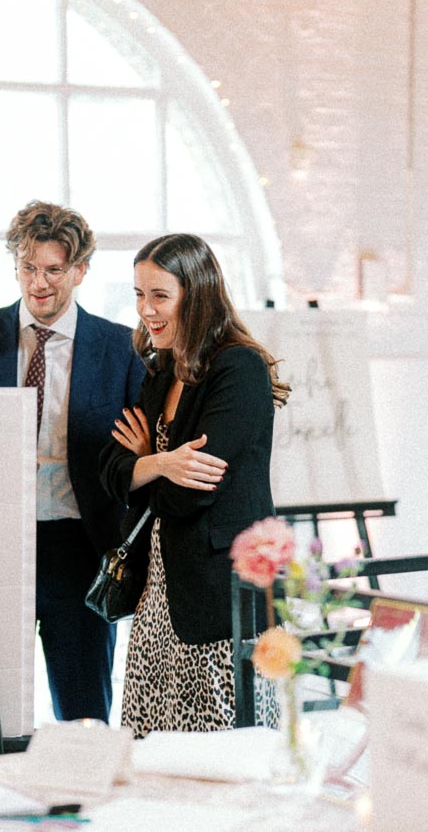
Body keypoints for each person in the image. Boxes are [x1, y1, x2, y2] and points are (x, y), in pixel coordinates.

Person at [0, 201, 144, 724]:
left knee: (83, 711)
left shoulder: (120, 347)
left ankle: (80, 800)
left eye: (54, 270)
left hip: (79, 548)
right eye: (28, 267)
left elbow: (137, 458)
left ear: (81, 270)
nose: (39, 284)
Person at [99, 233, 289, 738]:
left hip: (218, 596)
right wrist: (159, 463)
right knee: (152, 749)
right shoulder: (162, 369)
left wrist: (145, 465)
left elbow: (190, 494)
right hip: (158, 595)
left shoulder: (238, 368)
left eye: (159, 295)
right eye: (139, 294)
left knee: (219, 754)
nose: (145, 310)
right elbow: (111, 467)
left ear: (197, 292)